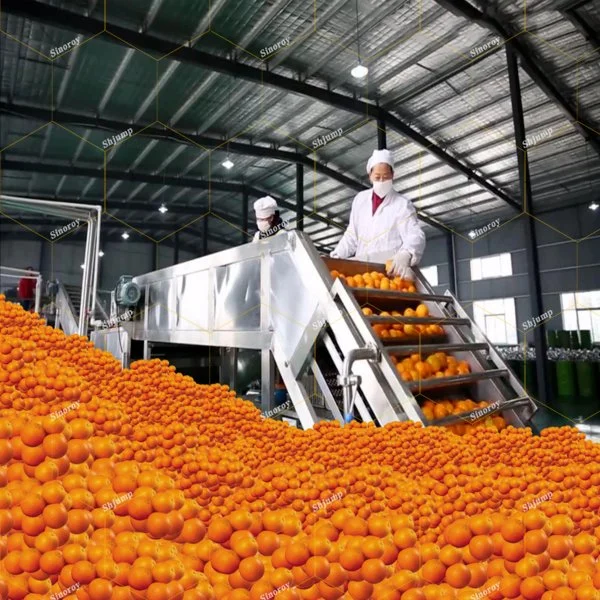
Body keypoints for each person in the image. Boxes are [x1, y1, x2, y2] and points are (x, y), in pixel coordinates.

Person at [330, 149, 426, 279]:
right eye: (377, 177)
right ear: (370, 175)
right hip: (362, 274)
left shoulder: (402, 204)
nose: (382, 181)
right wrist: (336, 257)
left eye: (386, 177)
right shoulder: (360, 200)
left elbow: (415, 235)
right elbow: (351, 235)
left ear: (393, 175)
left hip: (389, 274)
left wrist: (406, 253)